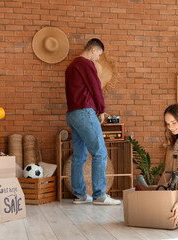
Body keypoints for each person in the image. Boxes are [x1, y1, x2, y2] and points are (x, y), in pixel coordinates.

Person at [65, 38, 121, 205]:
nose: (98, 58)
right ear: (94, 50)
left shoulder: (70, 67)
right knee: (100, 153)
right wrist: (101, 110)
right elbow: (96, 88)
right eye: (99, 55)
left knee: (79, 156)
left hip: (72, 114)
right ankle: (99, 195)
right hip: (84, 113)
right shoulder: (86, 64)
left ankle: (80, 195)